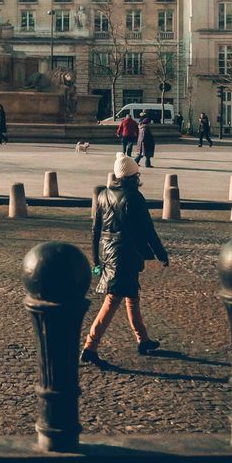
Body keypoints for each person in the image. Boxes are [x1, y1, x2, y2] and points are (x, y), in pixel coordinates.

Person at [80, 154, 169, 366]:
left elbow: (95, 230)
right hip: (125, 255)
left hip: (108, 252)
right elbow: (148, 230)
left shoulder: (103, 195)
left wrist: (96, 260)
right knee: (113, 299)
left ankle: (143, 339)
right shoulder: (134, 198)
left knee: (132, 295)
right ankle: (90, 346)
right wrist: (161, 253)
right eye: (137, 173)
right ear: (131, 176)